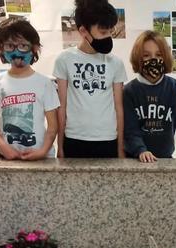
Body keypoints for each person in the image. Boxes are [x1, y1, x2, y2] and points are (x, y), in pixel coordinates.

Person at [53, 0, 127, 158]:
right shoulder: (64, 59)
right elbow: (62, 106)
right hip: (74, 138)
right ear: (83, 31)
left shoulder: (115, 63)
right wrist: (60, 146)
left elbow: (118, 108)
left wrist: (120, 148)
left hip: (107, 139)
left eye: (110, 31)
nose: (107, 37)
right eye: (102, 32)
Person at [0, 17, 59, 160]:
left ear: (34, 48)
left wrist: (42, 151)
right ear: (1, 47)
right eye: (10, 46)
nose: (17, 52)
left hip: (42, 157)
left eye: (23, 46)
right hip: (8, 156)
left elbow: (53, 126)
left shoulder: (45, 83)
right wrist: (2, 146)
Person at [123, 31, 176, 163]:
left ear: (165, 57)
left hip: (165, 159)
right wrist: (141, 150)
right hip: (136, 159)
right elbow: (130, 129)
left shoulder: (173, 87)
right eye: (146, 55)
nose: (153, 59)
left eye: (159, 55)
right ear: (138, 58)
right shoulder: (130, 91)